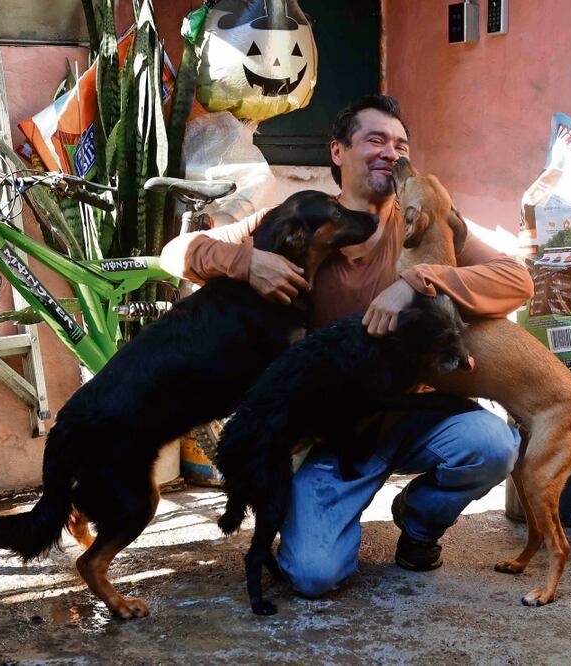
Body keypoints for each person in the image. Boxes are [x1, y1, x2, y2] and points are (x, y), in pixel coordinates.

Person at [160, 95, 532, 597]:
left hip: (408, 414)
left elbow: (517, 280)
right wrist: (247, 264)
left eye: (401, 144)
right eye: (375, 140)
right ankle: (320, 508)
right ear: (338, 151)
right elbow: (174, 254)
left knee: (491, 445)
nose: (392, 154)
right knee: (314, 575)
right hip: (330, 436)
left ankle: (418, 525)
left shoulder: (422, 221)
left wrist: (422, 279)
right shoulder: (298, 220)